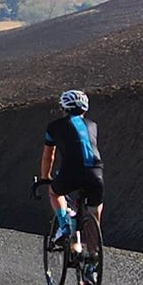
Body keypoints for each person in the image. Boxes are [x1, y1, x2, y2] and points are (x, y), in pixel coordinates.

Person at [39, 89, 103, 248]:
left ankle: (64, 226)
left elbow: (48, 157)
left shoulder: (54, 127)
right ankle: (92, 264)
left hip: (71, 172)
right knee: (93, 215)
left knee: (55, 192)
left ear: (64, 108)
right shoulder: (93, 126)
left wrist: (45, 177)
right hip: (96, 172)